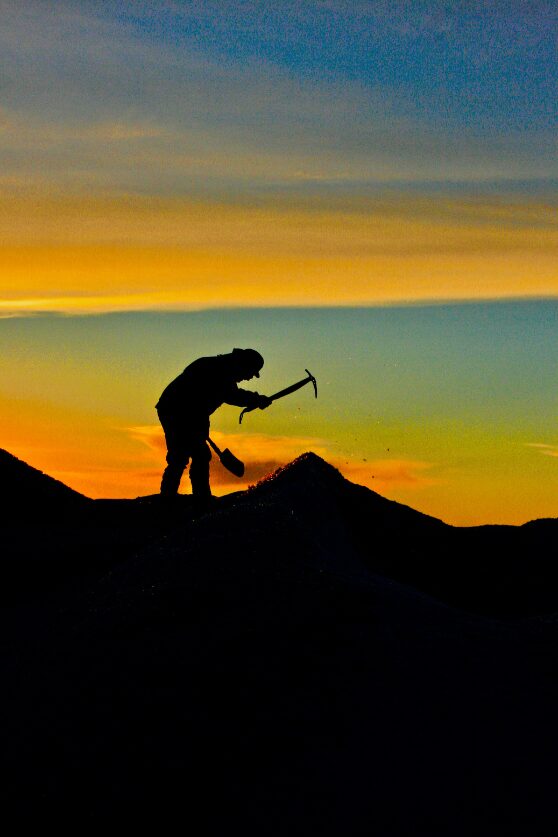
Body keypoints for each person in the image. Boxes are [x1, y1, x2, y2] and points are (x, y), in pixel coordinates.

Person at [156, 348, 271, 499]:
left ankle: (198, 495)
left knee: (199, 454)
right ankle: (171, 498)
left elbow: (211, 402)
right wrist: (256, 399)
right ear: (243, 365)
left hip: (190, 413)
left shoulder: (222, 370)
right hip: (174, 410)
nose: (249, 378)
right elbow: (231, 395)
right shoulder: (216, 369)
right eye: (250, 373)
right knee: (182, 455)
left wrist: (201, 426)